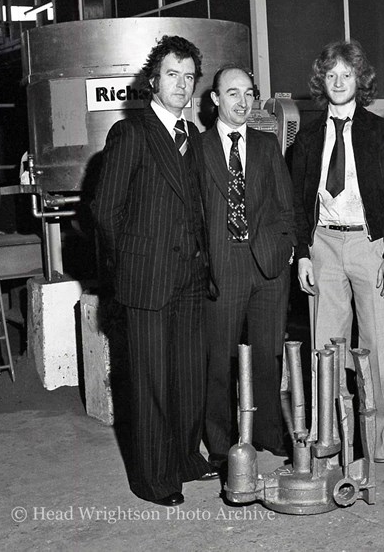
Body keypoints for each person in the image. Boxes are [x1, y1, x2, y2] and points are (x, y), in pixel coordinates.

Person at [92, 35, 219, 507]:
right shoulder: (132, 133)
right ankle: (152, 478)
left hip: (190, 276)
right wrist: (128, 270)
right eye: (173, 75)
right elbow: (105, 211)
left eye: (189, 77)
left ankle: (185, 458)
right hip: (147, 280)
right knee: (148, 383)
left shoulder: (193, 138)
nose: (182, 86)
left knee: (188, 377)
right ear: (153, 80)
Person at [292, 40, 384, 463]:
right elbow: (297, 200)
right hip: (322, 243)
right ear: (321, 82)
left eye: (347, 74)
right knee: (325, 347)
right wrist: (303, 252)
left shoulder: (381, 133)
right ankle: (331, 435)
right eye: (331, 75)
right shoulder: (305, 138)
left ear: (360, 81)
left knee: (379, 346)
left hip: (368, 244)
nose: (339, 82)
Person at [199, 65, 296, 467]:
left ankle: (270, 432)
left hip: (268, 265)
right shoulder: (198, 148)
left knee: (268, 356)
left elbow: (284, 204)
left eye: (249, 93)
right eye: (233, 93)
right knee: (220, 359)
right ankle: (221, 443)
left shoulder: (266, 144)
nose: (243, 102)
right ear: (215, 100)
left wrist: (286, 247)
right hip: (223, 263)